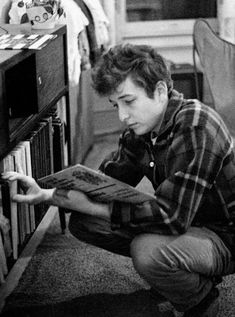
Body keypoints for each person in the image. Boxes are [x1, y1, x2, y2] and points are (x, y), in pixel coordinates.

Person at [2, 43, 235, 317]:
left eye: (129, 101)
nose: (122, 116)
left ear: (160, 91)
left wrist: (93, 206)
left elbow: (172, 217)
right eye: (116, 105)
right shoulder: (144, 128)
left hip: (223, 234)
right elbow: (104, 182)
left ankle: (201, 299)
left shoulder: (196, 125)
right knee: (84, 222)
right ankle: (177, 274)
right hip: (186, 219)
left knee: (147, 252)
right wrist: (47, 193)